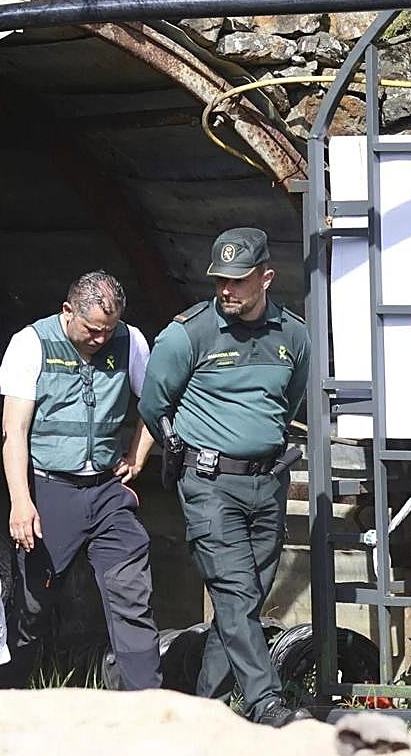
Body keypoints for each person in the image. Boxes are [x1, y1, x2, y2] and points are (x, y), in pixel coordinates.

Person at [138, 227, 311, 727]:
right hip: (211, 486)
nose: (226, 290)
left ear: (266, 278)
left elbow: (289, 400)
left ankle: (202, 713)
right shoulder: (187, 334)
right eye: (220, 280)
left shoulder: (294, 335)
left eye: (238, 280)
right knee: (235, 593)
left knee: (243, 607)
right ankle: (267, 704)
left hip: (268, 483)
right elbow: (154, 404)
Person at [0, 270, 161, 690]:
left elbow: (157, 402)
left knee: (131, 592)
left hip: (107, 489)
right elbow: (13, 431)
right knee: (33, 604)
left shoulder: (131, 342)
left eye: (108, 330)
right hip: (49, 488)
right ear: (67, 311)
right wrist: (21, 501)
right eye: (92, 329)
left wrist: (137, 456)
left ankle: (147, 701)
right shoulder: (30, 343)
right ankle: (7, 693)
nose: (101, 339)